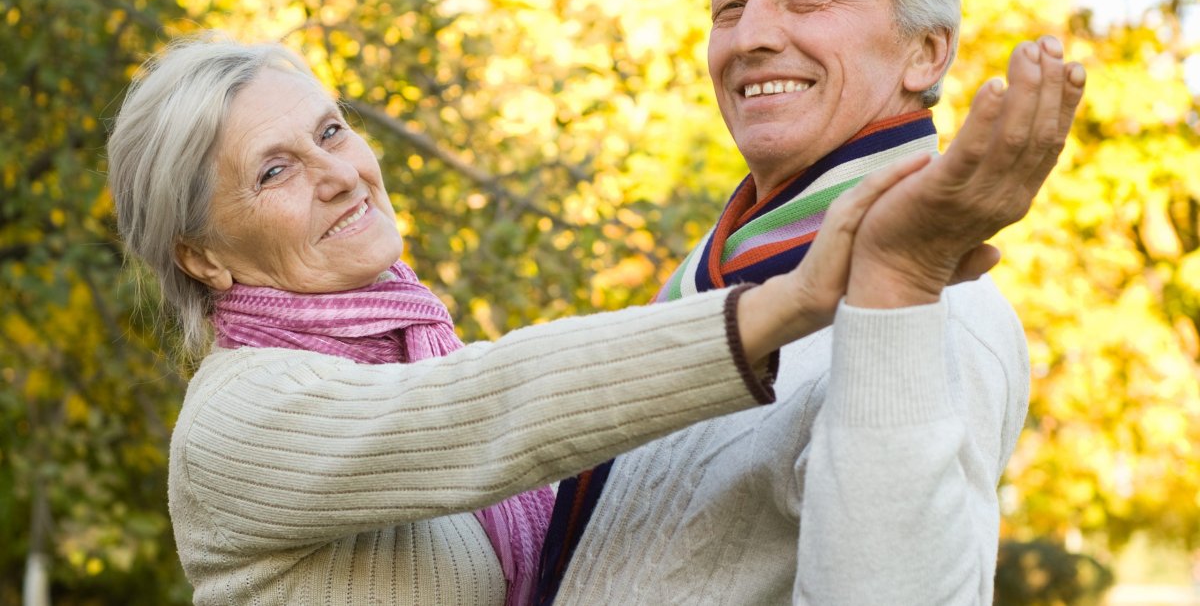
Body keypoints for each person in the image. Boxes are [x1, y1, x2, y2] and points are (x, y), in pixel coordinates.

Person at [106, 32, 983, 605]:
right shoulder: (238, 421)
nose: (337, 173)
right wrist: (784, 302)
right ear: (202, 255)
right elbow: (479, 411)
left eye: (331, 131)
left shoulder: (416, 355)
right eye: (274, 171)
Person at [536, 0, 1087, 605]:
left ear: (926, 51)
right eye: (729, 6)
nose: (751, 35)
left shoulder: (942, 312)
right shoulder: (721, 267)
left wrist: (900, 283)